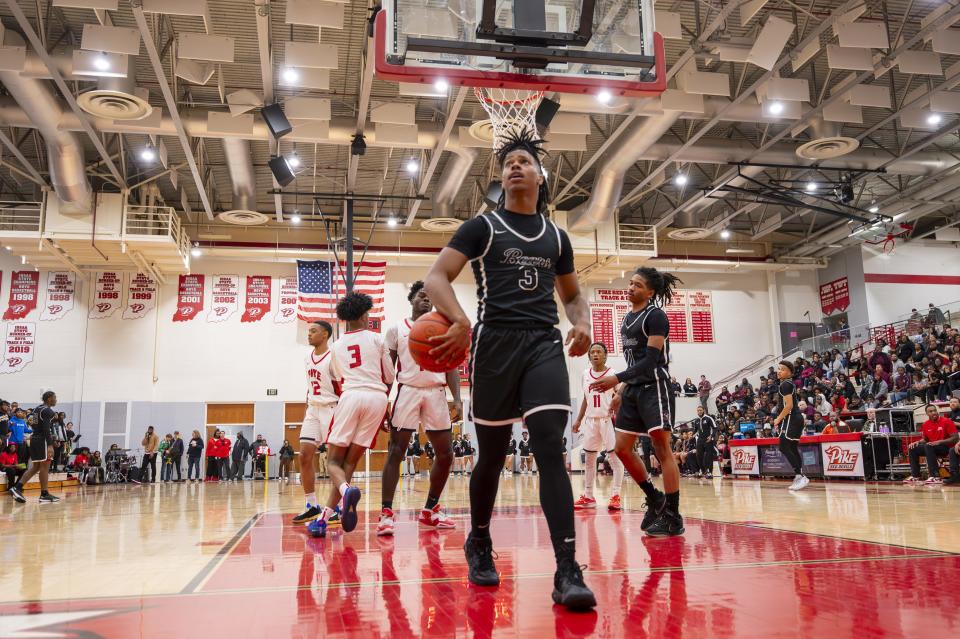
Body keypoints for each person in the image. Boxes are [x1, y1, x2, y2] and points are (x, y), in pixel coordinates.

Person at [423, 129, 595, 609]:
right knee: (492, 457)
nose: (515, 167)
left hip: (543, 343)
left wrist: (583, 323)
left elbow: (573, 295)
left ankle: (567, 568)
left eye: (524, 161)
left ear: (540, 176)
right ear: (502, 178)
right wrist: (459, 320)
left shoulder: (557, 237)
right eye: (508, 163)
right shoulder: (482, 227)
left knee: (549, 447)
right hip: (494, 344)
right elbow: (436, 277)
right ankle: (479, 539)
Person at [589, 267, 685, 537]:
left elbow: (650, 361)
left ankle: (673, 516)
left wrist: (616, 379)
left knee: (661, 447)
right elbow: (634, 362)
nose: (631, 288)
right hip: (632, 389)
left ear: (650, 291)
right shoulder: (627, 319)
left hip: (655, 386)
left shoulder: (656, 316)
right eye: (630, 283)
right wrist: (620, 391)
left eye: (638, 285)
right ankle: (655, 499)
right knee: (621, 448)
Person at [377, 280, 462, 536]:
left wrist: (457, 398)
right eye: (422, 296)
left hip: (436, 392)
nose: (427, 300)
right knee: (396, 451)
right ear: (412, 299)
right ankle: (386, 513)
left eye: (430, 297)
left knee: (446, 454)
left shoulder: (443, 327)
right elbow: (388, 371)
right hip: (408, 391)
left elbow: (451, 365)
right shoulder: (396, 329)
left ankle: (430, 510)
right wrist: (384, 400)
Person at [307, 292, 395, 538]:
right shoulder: (378, 340)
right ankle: (323, 519)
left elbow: (338, 376)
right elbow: (389, 376)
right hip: (377, 399)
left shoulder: (335, 347)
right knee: (350, 463)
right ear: (364, 314)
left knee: (334, 462)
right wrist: (386, 405)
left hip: (352, 396)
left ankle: (346, 493)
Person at [293, 321, 340, 524]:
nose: (309, 334)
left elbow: (341, 387)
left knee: (333, 461)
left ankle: (336, 508)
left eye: (313, 331)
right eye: (309, 331)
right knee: (304, 455)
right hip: (313, 409)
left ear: (325, 334)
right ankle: (311, 505)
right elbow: (310, 386)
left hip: (331, 409)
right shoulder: (306, 359)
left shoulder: (334, 358)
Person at [572, 342, 624, 511]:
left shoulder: (613, 374)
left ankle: (616, 495)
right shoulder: (585, 374)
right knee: (589, 460)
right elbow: (587, 399)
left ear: (605, 355)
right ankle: (588, 496)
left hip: (608, 420)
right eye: (592, 352)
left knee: (614, 459)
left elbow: (620, 396)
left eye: (599, 352)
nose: (595, 354)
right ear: (589, 357)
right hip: (590, 421)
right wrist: (579, 420)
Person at [8, 391, 60, 504]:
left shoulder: (37, 409)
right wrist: (50, 445)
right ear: (49, 398)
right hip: (42, 441)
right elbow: (46, 429)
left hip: (34, 439)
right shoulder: (48, 410)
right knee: (45, 467)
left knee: (36, 467)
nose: (56, 400)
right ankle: (44, 494)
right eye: (55, 398)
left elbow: (35, 424)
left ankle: (17, 487)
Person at [772, 361, 809, 491]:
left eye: (782, 369)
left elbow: (789, 406)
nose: (779, 371)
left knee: (783, 446)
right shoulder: (787, 384)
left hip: (791, 418)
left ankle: (800, 476)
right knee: (792, 447)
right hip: (795, 419)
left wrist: (778, 419)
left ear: (789, 372)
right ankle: (799, 476)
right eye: (778, 369)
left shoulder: (785, 385)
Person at [904, 404, 959, 486]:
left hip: (946, 447)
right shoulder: (925, 424)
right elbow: (925, 439)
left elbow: (955, 438)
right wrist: (918, 442)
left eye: (934, 410)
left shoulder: (947, 421)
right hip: (931, 447)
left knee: (928, 446)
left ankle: (935, 476)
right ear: (927, 413)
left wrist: (939, 442)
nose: (934, 413)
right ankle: (915, 475)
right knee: (913, 448)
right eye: (931, 411)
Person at [691, 406, 719, 478]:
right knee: (699, 455)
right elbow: (696, 430)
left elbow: (715, 428)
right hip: (700, 439)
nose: (699, 412)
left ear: (703, 410)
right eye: (698, 411)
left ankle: (709, 472)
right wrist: (692, 435)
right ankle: (704, 471)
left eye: (700, 410)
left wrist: (711, 436)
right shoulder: (696, 420)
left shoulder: (709, 418)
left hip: (708, 439)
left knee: (709, 456)